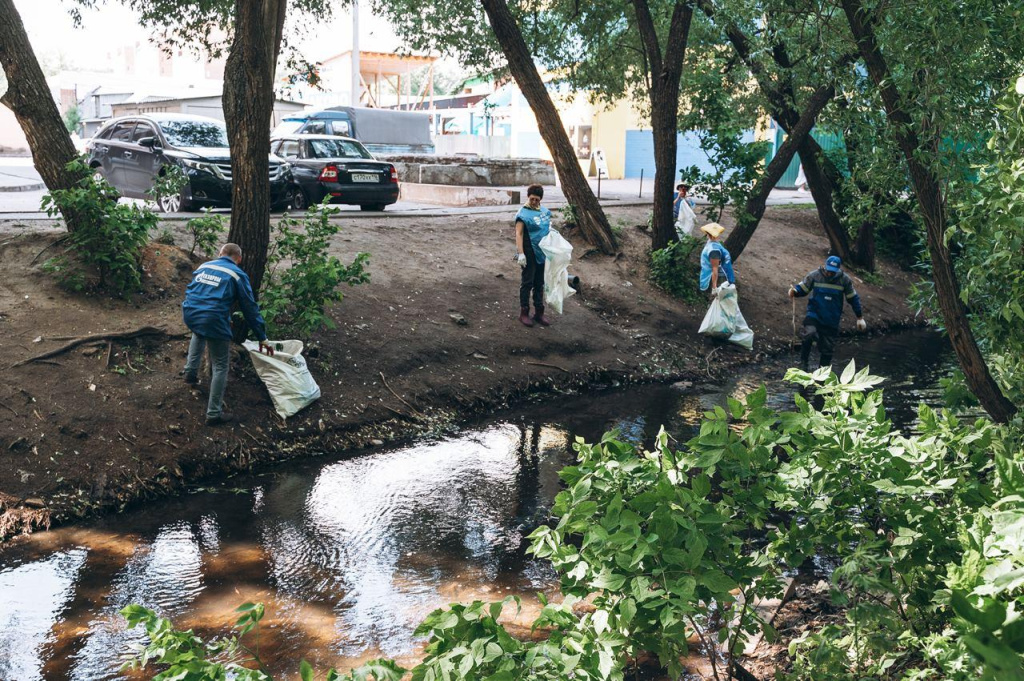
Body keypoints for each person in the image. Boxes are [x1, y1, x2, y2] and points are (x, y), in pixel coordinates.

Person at [182, 243, 273, 426]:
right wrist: (262, 337)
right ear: (238, 259)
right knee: (221, 365)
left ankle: (190, 373)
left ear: (220, 253)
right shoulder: (237, 274)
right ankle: (214, 413)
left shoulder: (204, 266)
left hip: (190, 312)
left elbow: (201, 293)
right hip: (212, 319)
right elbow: (250, 309)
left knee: (199, 332)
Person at [788, 255, 867, 371]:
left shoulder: (845, 280)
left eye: (833, 272)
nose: (830, 273)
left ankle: (823, 372)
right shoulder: (814, 276)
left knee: (827, 348)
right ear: (825, 267)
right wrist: (794, 291)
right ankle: (803, 363)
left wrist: (859, 317)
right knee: (809, 334)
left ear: (838, 270)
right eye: (828, 270)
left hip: (831, 318)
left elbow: (853, 298)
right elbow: (803, 288)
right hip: (814, 314)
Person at [515, 184, 552, 327]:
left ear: (541, 199)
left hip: (542, 251)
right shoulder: (522, 214)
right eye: (532, 199)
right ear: (528, 197)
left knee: (539, 283)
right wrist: (521, 253)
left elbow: (547, 228)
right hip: (529, 250)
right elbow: (519, 233)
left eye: (537, 200)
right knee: (527, 282)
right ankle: (524, 312)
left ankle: (539, 312)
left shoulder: (544, 212)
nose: (534, 202)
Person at [699, 222, 736, 296]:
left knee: (716, 299)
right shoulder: (714, 245)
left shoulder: (714, 250)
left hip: (717, 278)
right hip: (716, 276)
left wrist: (714, 287)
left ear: (707, 234)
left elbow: (715, 269)